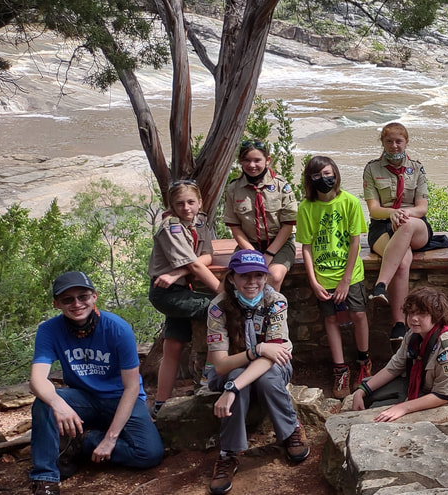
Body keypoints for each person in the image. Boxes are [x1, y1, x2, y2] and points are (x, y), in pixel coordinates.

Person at [29, 272, 164, 495]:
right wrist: (58, 403)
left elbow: (131, 387)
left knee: (149, 453)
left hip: (122, 399)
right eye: (67, 299)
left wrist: (110, 439)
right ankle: (45, 477)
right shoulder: (49, 330)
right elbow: (36, 380)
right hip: (83, 399)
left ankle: (85, 441)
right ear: (56, 303)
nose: (77, 304)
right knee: (44, 402)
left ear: (94, 297)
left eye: (83, 296)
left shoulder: (117, 328)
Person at [204, 250, 308, 495]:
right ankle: (228, 453)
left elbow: (275, 357)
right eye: (245, 276)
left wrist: (233, 388)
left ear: (265, 277)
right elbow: (220, 364)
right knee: (233, 376)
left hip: (271, 366)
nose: (252, 282)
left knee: (267, 378)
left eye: (258, 276)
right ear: (232, 278)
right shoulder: (218, 308)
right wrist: (258, 350)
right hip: (232, 367)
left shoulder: (276, 301)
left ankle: (291, 428)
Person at [295, 156, 371, 399]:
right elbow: (306, 246)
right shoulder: (306, 208)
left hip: (350, 274)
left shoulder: (349, 202)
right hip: (323, 275)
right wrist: (313, 280)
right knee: (331, 321)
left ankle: (364, 362)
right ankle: (340, 369)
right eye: (316, 176)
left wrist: (346, 279)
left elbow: (355, 241)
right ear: (309, 179)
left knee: (358, 314)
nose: (323, 180)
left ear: (336, 174)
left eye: (327, 174)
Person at [148, 180, 221, 416]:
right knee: (217, 309)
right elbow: (197, 266)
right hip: (166, 293)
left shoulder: (200, 222)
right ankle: (210, 370)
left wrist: (177, 272)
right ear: (172, 206)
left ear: (200, 203)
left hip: (180, 288)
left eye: (191, 202)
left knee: (174, 345)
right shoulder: (171, 227)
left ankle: (160, 404)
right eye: (180, 204)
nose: (186, 208)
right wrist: (223, 293)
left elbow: (207, 256)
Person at [348, 287, 448, 420]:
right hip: (421, 385)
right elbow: (394, 368)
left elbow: (445, 395)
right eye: (411, 313)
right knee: (367, 388)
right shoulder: (413, 335)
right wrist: (361, 391)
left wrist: (404, 407)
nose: (414, 318)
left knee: (379, 410)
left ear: (437, 316)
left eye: (421, 314)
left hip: (446, 400)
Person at [362, 123, 432, 347]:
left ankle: (380, 285)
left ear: (406, 142)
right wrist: (391, 214)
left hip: (415, 225)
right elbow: (373, 209)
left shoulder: (417, 168)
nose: (394, 146)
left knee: (408, 225)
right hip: (382, 226)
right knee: (402, 260)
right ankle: (398, 325)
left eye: (398, 141)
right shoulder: (372, 169)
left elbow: (422, 208)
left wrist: (402, 215)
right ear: (382, 143)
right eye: (389, 141)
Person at [222, 140, 298, 291]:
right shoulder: (233, 188)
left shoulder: (281, 186)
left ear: (267, 160)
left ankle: (268, 313)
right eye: (247, 160)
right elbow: (235, 227)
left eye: (257, 160)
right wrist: (252, 253)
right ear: (240, 162)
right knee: (240, 276)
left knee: (273, 276)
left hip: (280, 244)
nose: (252, 165)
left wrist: (269, 254)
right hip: (249, 244)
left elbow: (288, 225)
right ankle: (245, 313)